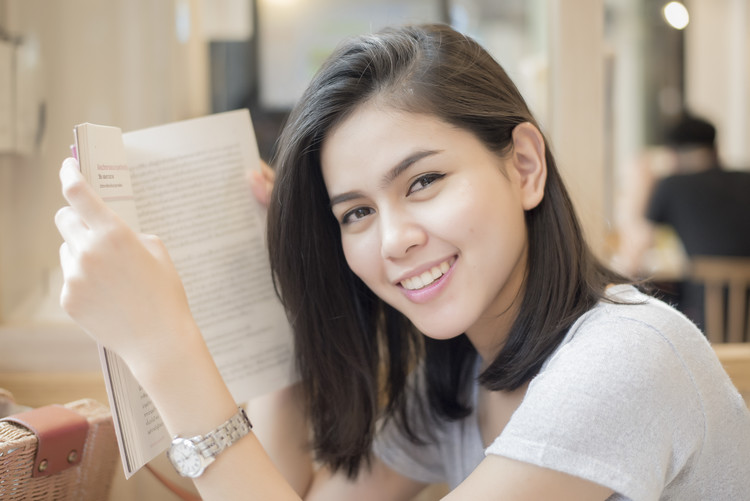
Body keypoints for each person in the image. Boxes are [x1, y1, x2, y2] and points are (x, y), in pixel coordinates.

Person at [54, 24, 750, 500]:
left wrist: (165, 348)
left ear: (526, 167)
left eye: (423, 181)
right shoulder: (452, 382)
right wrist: (288, 295)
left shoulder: (626, 358)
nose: (393, 240)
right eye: (355, 212)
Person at [644, 113, 750, 329]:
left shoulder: (671, 185)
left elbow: (637, 250)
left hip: (702, 328)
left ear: (672, 154)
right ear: (716, 149)